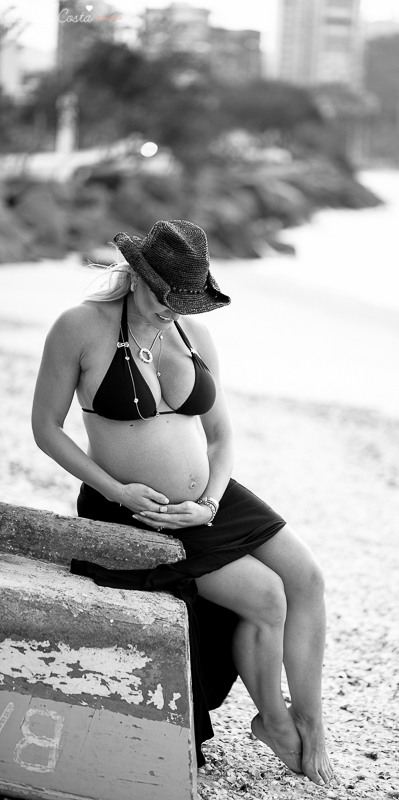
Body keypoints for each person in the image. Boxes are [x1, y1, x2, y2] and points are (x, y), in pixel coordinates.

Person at [32, 219, 334, 786]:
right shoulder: (80, 326)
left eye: (186, 299)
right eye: (166, 296)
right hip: (132, 507)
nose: (175, 309)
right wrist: (115, 489)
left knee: (308, 577)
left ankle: (310, 720)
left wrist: (212, 504)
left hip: (209, 505)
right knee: (267, 596)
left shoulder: (192, 334)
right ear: (137, 277)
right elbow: (46, 429)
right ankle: (274, 721)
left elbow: (221, 438)